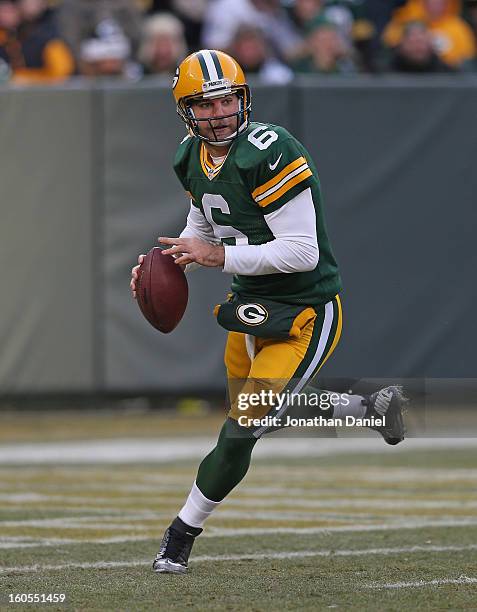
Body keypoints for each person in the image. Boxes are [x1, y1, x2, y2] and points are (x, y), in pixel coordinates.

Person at [130, 49, 406, 575]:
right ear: (184, 109)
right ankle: (369, 409)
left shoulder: (272, 150)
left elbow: (302, 250)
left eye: (226, 100)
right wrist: (166, 264)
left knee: (244, 425)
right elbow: (206, 221)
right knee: (253, 421)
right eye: (204, 105)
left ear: (243, 98)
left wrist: (216, 256)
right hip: (250, 306)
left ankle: (181, 532)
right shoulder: (189, 155)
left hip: (305, 308)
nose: (218, 113)